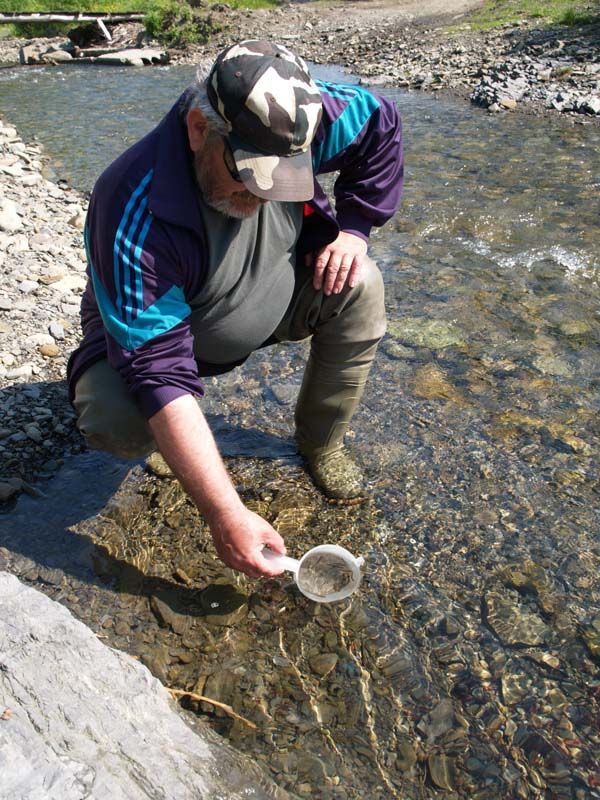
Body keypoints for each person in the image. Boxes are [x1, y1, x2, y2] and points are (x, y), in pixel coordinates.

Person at [67, 40, 404, 578]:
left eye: (283, 176)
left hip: (274, 283)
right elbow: (158, 369)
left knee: (360, 283)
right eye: (249, 173)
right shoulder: (131, 205)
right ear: (199, 129)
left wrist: (356, 229)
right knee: (118, 419)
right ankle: (169, 443)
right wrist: (224, 512)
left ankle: (321, 444)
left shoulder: (300, 118)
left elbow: (381, 122)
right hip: (177, 327)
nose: (264, 194)